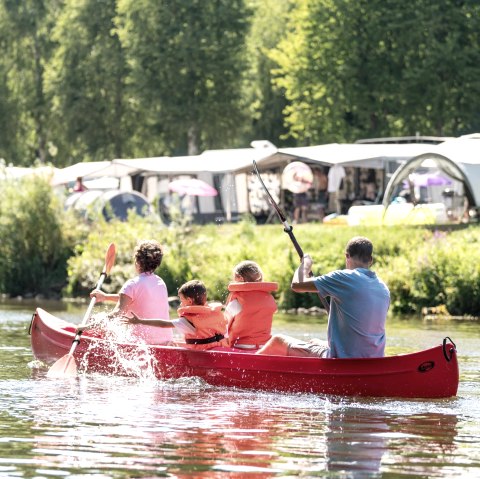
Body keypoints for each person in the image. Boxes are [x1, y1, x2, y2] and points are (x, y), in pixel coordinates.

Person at [256, 236, 390, 359]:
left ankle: (248, 368)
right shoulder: (383, 287)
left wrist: (305, 265)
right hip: (373, 358)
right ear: (370, 260)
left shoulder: (344, 278)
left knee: (278, 341)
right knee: (314, 341)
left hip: (343, 359)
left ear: (347, 256)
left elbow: (297, 285)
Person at [90, 239, 172, 344]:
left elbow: (118, 312)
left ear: (137, 261)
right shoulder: (160, 283)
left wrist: (89, 326)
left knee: (100, 320)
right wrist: (105, 297)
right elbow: (135, 299)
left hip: (141, 343)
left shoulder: (132, 284)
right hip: (165, 341)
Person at [121, 280, 227, 350]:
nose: (180, 304)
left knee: (170, 344)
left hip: (202, 353)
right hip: (220, 347)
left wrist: (140, 321)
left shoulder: (187, 321)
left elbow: (163, 324)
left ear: (189, 301)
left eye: (181, 300)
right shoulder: (214, 312)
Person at [224, 260, 278, 349]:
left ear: (240, 278)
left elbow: (224, 325)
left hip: (240, 345)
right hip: (264, 346)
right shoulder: (269, 298)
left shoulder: (238, 301)